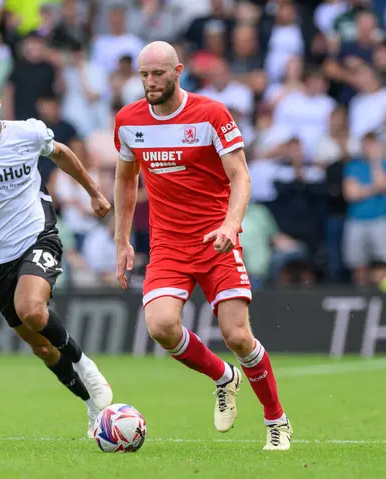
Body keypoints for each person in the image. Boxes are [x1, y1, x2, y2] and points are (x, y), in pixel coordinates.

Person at [113, 41, 292, 451]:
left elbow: (240, 176)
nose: (150, 82)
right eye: (144, 74)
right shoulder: (128, 120)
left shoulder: (211, 114)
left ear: (178, 72)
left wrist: (231, 225)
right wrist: (122, 240)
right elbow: (126, 179)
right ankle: (223, 377)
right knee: (160, 326)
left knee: (238, 336)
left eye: (158, 73)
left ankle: (276, 421)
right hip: (168, 245)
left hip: (216, 239)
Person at [0, 78, 113, 438]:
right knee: (42, 347)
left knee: (31, 310)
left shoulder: (28, 133)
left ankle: (85, 365)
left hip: (38, 234)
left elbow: (62, 154)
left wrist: (95, 192)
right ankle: (90, 406)